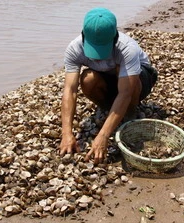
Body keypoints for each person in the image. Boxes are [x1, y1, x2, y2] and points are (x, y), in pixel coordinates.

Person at [60, 7, 158, 164]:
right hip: (109, 79)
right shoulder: (74, 48)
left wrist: (103, 136)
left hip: (140, 81)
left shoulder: (127, 48)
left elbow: (126, 92)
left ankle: (129, 115)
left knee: (125, 77)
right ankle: (110, 109)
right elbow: (70, 90)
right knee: (87, 79)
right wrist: (66, 133)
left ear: (115, 37)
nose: (98, 57)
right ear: (84, 36)